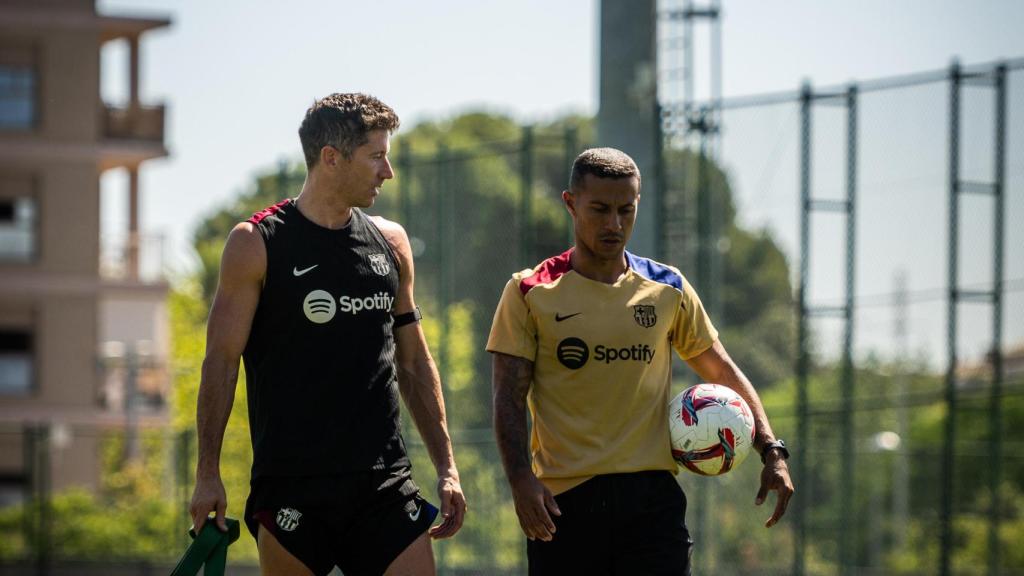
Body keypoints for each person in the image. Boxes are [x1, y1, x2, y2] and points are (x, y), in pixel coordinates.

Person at [189, 93, 467, 576]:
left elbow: (415, 363)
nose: (388, 171)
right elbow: (220, 361)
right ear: (331, 158)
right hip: (292, 487)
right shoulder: (255, 243)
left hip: (384, 483)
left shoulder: (392, 242)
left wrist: (446, 467)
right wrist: (207, 473)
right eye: (377, 156)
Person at [487, 147, 794, 575]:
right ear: (571, 204)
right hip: (564, 505)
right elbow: (507, 396)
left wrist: (771, 450)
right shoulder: (529, 291)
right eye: (599, 209)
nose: (614, 224)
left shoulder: (667, 287)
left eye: (625, 210)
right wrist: (520, 479)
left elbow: (721, 371)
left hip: (652, 502)